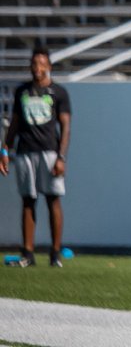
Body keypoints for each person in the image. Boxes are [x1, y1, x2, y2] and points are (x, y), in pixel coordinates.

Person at [0, 45, 72, 269]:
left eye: (42, 64)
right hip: (25, 152)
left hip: (49, 151)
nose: (38, 68)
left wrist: (61, 157)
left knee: (53, 200)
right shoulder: (22, 91)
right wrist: (4, 150)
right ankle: (28, 253)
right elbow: (14, 125)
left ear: (49, 66)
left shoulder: (58, 93)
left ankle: (55, 253)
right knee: (28, 202)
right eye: (34, 64)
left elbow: (66, 127)